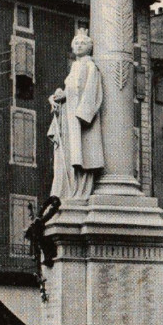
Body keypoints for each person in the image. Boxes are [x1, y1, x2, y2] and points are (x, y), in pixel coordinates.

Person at [47, 29, 104, 201]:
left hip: (78, 120)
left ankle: (77, 192)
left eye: (83, 43)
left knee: (80, 155)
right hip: (69, 116)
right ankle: (67, 191)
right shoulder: (75, 66)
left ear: (89, 47)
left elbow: (91, 93)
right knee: (67, 154)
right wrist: (57, 97)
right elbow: (70, 91)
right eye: (76, 43)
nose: (78, 46)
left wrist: (77, 112)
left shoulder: (90, 66)